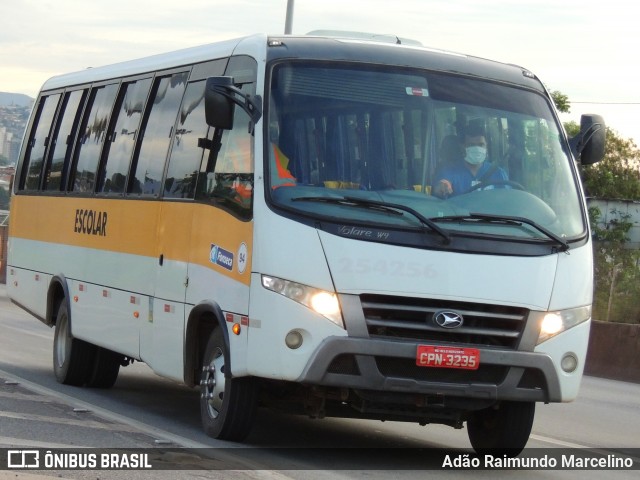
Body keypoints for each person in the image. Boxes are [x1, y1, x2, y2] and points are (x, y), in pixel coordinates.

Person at [433, 127, 508, 198]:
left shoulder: (499, 173)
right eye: (471, 145)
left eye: (481, 144)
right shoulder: (448, 172)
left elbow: (507, 201)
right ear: (462, 147)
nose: (477, 149)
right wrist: (441, 188)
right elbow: (439, 195)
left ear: (486, 146)